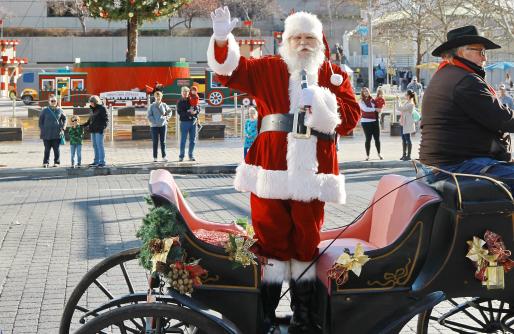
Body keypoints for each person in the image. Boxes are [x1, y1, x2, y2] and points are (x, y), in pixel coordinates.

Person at [208, 7, 360, 333]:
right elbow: (229, 72)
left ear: (319, 41)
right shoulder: (268, 69)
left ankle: (305, 319)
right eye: (297, 38)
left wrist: (321, 101)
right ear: (286, 41)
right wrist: (222, 39)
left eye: (309, 38)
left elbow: (350, 119)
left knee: (306, 242)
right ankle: (262, 317)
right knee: (270, 242)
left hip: (313, 174)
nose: (303, 44)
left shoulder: (334, 75)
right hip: (270, 171)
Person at [419, 25, 514, 188]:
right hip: (457, 165)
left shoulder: (446, 74)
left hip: (441, 164)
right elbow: (503, 120)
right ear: (461, 52)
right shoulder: (466, 81)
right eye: (481, 52)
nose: (484, 58)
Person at [39, 94, 67, 168]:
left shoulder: (60, 110)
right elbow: (40, 122)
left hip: (56, 133)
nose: (53, 102)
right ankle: (45, 162)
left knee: (56, 149)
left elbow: (65, 119)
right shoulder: (44, 111)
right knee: (47, 150)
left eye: (55, 101)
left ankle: (56, 162)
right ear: (49, 102)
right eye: (52, 101)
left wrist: (63, 128)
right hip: (46, 134)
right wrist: (43, 129)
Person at [83, 95, 108, 167]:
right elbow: (89, 120)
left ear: (95, 102)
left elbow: (106, 120)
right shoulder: (92, 109)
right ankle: (96, 161)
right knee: (95, 146)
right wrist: (81, 125)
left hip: (99, 130)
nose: (90, 104)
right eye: (90, 102)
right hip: (93, 130)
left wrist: (103, 128)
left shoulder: (102, 108)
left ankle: (102, 162)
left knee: (100, 145)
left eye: (91, 102)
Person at [147, 90, 172, 162]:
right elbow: (149, 116)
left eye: (159, 96)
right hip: (154, 127)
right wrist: (155, 122)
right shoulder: (152, 106)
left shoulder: (164, 105)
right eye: (156, 96)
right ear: (154, 97)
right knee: (155, 142)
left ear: (161, 97)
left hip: (163, 126)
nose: (158, 98)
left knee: (163, 142)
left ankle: (164, 156)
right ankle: (155, 157)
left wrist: (167, 118)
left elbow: (170, 111)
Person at [359, 87, 382, 160]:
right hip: (366, 122)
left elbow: (378, 107)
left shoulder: (373, 100)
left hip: (375, 121)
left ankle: (379, 154)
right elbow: (365, 109)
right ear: (362, 93)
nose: (366, 92)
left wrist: (380, 109)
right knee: (368, 139)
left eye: (367, 91)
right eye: (364, 91)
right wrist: (375, 109)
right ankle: (367, 155)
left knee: (377, 139)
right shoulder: (361, 101)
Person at [177, 86, 197, 162]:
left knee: (193, 140)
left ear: (189, 93)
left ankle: (191, 155)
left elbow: (197, 107)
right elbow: (180, 113)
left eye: (186, 92)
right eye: (183, 92)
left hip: (193, 122)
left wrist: (196, 112)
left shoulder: (192, 99)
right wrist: (189, 113)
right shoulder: (179, 102)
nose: (185, 93)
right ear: (181, 93)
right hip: (184, 122)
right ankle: (181, 156)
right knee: (183, 140)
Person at [396, 90, 417, 161]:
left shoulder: (411, 104)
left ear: (409, 96)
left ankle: (409, 155)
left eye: (406, 94)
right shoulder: (407, 102)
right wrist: (399, 101)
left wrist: (397, 100)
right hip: (403, 123)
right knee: (403, 139)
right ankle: (404, 155)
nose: (405, 96)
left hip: (407, 124)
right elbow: (401, 108)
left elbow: (399, 108)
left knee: (408, 139)